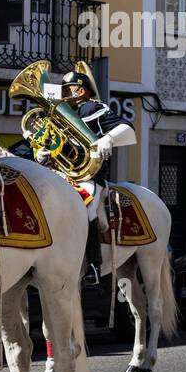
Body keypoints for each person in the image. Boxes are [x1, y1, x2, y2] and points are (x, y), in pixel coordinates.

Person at [46, 68, 136, 284]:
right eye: (63, 89)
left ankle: (93, 265)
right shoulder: (60, 116)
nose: (64, 93)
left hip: (89, 177)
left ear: (81, 91)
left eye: (68, 88)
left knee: (85, 207)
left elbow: (127, 126)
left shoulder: (94, 108)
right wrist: (45, 152)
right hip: (63, 174)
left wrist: (109, 138)